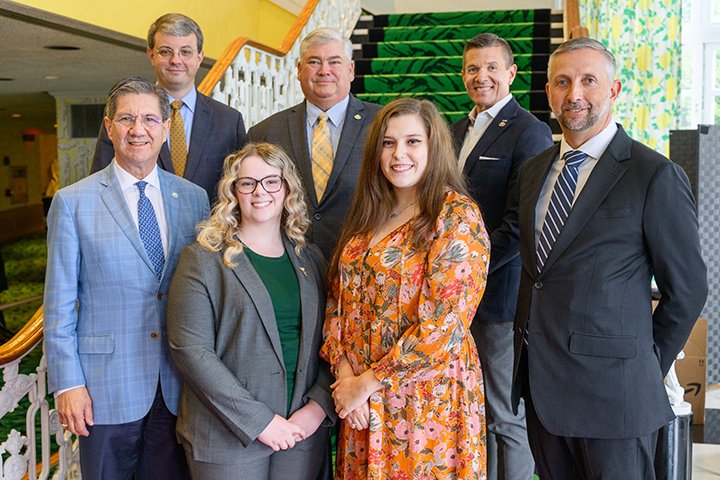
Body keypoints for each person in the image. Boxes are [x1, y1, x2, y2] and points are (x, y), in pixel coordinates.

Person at [511, 37, 708, 479]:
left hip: (616, 398)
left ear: (614, 90)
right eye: (562, 82)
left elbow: (688, 290)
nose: (574, 94)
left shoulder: (653, 175)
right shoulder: (533, 172)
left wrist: (641, 364)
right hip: (543, 389)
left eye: (588, 81)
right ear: (548, 93)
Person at [43, 76, 209, 479]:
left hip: (177, 386)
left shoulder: (193, 198)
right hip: (103, 389)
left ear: (166, 129)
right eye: (127, 119)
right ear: (108, 126)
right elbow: (59, 303)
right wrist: (68, 384)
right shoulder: (73, 202)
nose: (139, 130)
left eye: (150, 119)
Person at [321, 98, 490, 479]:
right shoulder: (370, 211)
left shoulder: (455, 216)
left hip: (425, 403)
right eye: (388, 143)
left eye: (413, 141)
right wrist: (346, 373)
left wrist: (367, 383)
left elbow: (444, 326)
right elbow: (337, 299)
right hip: (362, 403)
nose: (399, 154)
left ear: (433, 147)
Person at [166, 143, 334, 479]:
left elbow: (335, 339)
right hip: (226, 439)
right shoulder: (202, 259)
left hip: (299, 431)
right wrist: (261, 422)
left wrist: (317, 408)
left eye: (272, 181)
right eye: (248, 183)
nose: (260, 192)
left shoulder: (310, 258)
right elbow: (191, 352)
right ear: (233, 191)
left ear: (287, 189)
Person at [450, 33, 552, 480]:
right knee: (473, 408)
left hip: (497, 298)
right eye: (473, 68)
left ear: (511, 74)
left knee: (505, 414)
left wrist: (468, 272)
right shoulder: (454, 129)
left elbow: (520, 224)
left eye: (492, 68)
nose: (481, 77)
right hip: (454, 295)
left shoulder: (530, 131)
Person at [247, 27, 381, 259]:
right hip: (289, 263)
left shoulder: (381, 124)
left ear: (350, 70)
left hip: (364, 263)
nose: (324, 71)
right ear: (299, 70)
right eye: (314, 62)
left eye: (334, 62)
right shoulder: (265, 132)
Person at [91, 13, 246, 203]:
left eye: (186, 52)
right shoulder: (123, 117)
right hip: (143, 227)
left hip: (210, 229)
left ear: (199, 57)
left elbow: (241, 187)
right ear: (151, 55)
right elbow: (101, 182)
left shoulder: (229, 120)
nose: (176, 60)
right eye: (165, 51)